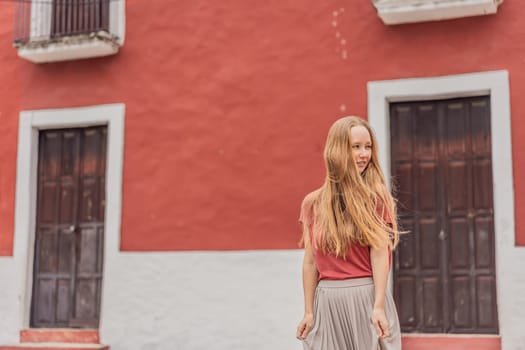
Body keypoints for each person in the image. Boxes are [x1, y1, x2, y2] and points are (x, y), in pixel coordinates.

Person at [296, 116, 402, 350]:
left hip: (366, 299)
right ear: (337, 150)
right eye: (356, 147)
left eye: (368, 147)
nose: (364, 154)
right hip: (327, 303)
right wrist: (309, 312)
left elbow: (379, 253)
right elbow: (311, 262)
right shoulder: (312, 204)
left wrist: (378, 306)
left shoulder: (376, 198)